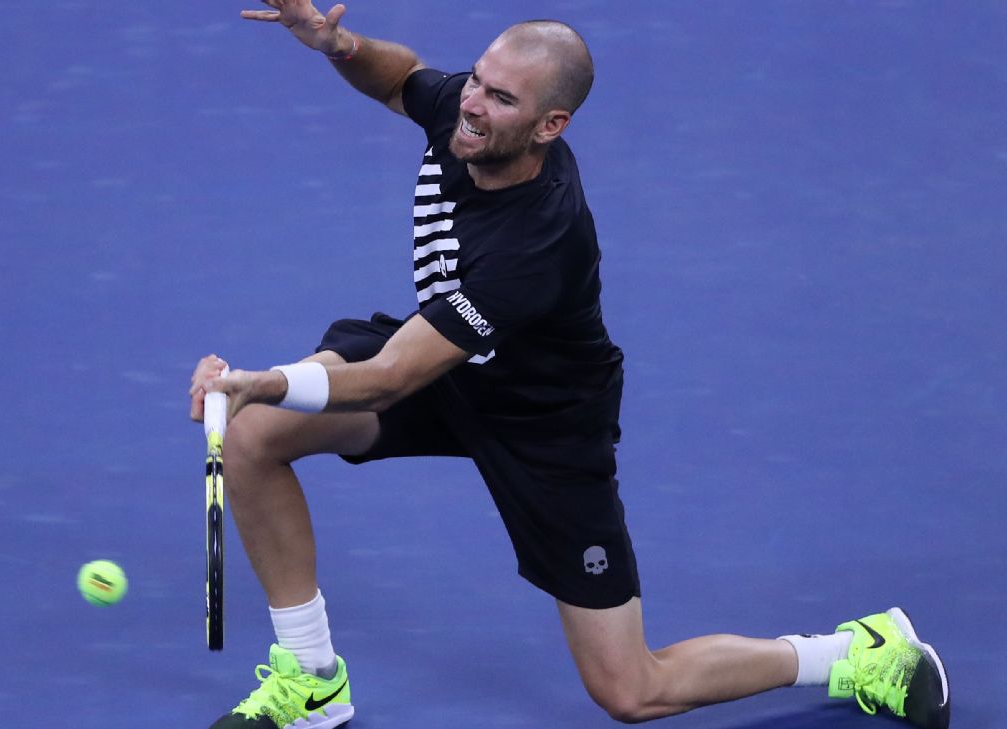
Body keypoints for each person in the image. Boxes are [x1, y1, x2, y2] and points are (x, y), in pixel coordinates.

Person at [187, 2, 951, 727]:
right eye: (478, 80)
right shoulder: (469, 111)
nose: (473, 104)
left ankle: (856, 652)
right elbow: (400, 79)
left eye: (502, 98)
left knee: (631, 690)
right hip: (450, 366)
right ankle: (314, 679)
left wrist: (261, 379)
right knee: (254, 432)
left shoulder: (536, 244)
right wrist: (339, 45)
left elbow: (390, 376)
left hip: (542, 421)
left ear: (550, 125)